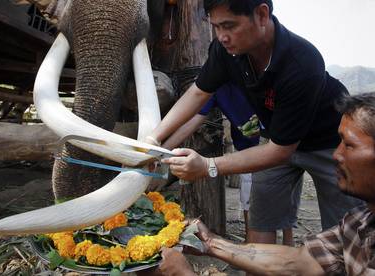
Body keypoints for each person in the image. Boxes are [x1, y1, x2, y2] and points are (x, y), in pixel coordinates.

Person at [146, 0, 362, 245]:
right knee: (261, 222)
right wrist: (154, 139)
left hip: (328, 145)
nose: (221, 36)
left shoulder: (302, 62)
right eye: (215, 27)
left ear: (261, 15)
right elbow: (198, 93)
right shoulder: (227, 50)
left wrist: (208, 165)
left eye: (229, 26)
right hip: (275, 141)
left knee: (345, 232)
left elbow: (281, 151)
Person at [154, 92, 375, 276]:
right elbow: (301, 261)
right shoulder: (358, 223)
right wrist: (211, 243)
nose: (336, 154)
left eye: (349, 145)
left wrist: (186, 274)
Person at [162, 82, 300, 245]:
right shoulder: (214, 84)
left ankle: (288, 240)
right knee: (249, 196)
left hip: (282, 143)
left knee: (288, 193)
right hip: (248, 151)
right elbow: (194, 120)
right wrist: (160, 150)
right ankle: (251, 244)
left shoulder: (259, 74)